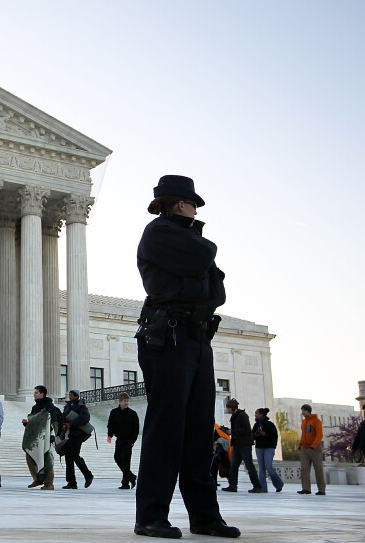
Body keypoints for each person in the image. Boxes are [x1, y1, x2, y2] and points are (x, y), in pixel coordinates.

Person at [133, 175, 239, 538]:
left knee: (198, 430)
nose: (196, 210)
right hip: (169, 337)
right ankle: (150, 515)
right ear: (180, 203)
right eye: (193, 203)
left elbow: (217, 291)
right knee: (166, 429)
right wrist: (198, 273)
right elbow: (205, 257)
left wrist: (194, 279)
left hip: (197, 337)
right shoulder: (158, 232)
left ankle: (205, 516)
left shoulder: (188, 237)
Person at [22, 385, 60, 490]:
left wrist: (54, 435)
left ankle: (49, 483)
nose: (34, 394)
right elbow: (33, 421)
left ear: (42, 394)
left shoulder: (49, 405)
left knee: (47, 459)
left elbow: (53, 421)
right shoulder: (35, 407)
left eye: (36, 393)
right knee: (30, 456)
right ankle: (37, 479)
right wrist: (27, 424)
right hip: (36, 437)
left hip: (47, 436)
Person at [221, 399, 262, 493]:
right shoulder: (235, 416)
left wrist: (232, 432)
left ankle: (257, 486)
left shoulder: (242, 415)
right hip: (237, 444)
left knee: (249, 466)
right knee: (233, 466)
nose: (227, 410)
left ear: (231, 407)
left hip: (245, 445)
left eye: (228, 407)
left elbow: (246, 429)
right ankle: (233, 485)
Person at [107, 391, 139, 490]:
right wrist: (109, 435)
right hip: (119, 440)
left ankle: (125, 483)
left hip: (128, 441)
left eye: (127, 401)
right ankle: (131, 477)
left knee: (126, 461)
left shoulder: (132, 414)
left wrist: (132, 441)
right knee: (117, 458)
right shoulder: (114, 412)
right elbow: (110, 425)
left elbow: (136, 429)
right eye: (124, 401)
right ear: (120, 401)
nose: (126, 403)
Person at [252, 408, 284, 493]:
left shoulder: (270, 425)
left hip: (269, 448)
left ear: (261, 414)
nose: (255, 415)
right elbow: (252, 436)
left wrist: (264, 434)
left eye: (257, 413)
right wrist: (256, 435)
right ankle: (263, 488)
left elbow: (274, 436)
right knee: (261, 468)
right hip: (259, 447)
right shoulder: (256, 425)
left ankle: (278, 484)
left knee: (268, 466)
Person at [297, 403, 326, 496]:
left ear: (308, 411)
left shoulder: (316, 421)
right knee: (304, 469)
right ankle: (306, 488)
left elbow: (319, 435)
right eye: (302, 410)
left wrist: (314, 445)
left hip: (315, 448)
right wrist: (300, 445)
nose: (303, 412)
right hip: (305, 448)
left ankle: (321, 489)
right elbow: (303, 435)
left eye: (304, 410)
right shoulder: (304, 422)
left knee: (318, 468)